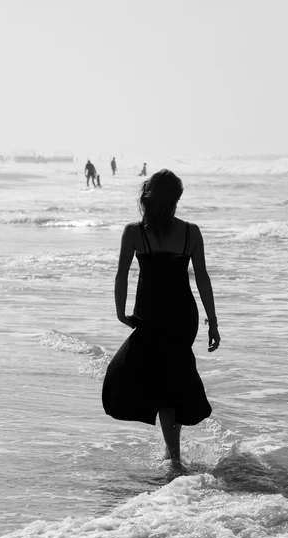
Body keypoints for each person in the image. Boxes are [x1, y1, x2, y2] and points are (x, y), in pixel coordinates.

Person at [102, 169, 220, 465]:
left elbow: (121, 276)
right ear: (177, 197)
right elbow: (202, 278)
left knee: (158, 380)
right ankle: (172, 452)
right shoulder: (190, 232)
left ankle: (174, 458)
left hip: (151, 314)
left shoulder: (135, 232)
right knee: (171, 378)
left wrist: (120, 312)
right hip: (182, 316)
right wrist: (213, 321)